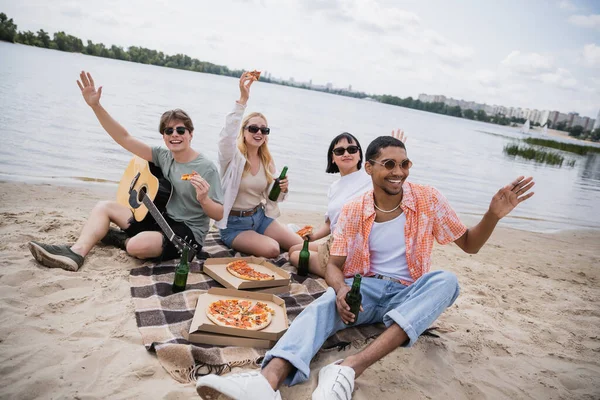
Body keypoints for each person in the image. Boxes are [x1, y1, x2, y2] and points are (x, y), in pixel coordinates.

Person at [196, 135, 535, 400]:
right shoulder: (355, 208)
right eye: (389, 164)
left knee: (447, 280)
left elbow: (470, 245)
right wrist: (341, 289)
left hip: (409, 291)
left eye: (404, 164)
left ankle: (346, 370)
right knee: (320, 308)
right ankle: (266, 382)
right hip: (365, 288)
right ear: (370, 168)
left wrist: (492, 214)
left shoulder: (428, 198)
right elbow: (335, 265)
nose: (398, 172)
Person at [28, 71, 224, 271]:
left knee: (136, 246)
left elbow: (218, 214)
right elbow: (124, 138)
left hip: (188, 232)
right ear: (163, 136)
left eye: (180, 130)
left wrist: (204, 199)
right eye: (168, 131)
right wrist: (95, 106)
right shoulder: (163, 156)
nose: (175, 134)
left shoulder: (206, 167)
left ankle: (119, 237)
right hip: (159, 217)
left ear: (190, 134)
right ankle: (76, 252)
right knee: (104, 207)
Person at [289, 129, 406, 276]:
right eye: (339, 151)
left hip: (352, 247)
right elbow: (330, 222)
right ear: (332, 158)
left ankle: (338, 272)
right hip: (334, 242)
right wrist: (313, 237)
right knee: (294, 249)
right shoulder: (334, 187)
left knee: (295, 256)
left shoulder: (370, 176)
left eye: (352, 149)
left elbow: (392, 179)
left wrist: (391, 156)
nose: (346, 154)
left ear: (359, 155)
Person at [215, 72, 302, 258]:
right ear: (244, 131)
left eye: (263, 130)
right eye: (253, 128)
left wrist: (283, 188)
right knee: (272, 249)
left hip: (260, 217)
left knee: (300, 245)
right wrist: (242, 100)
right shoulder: (232, 157)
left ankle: (283, 231)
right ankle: (265, 237)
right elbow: (225, 137)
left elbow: (274, 197)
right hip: (234, 225)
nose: (258, 133)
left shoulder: (267, 159)